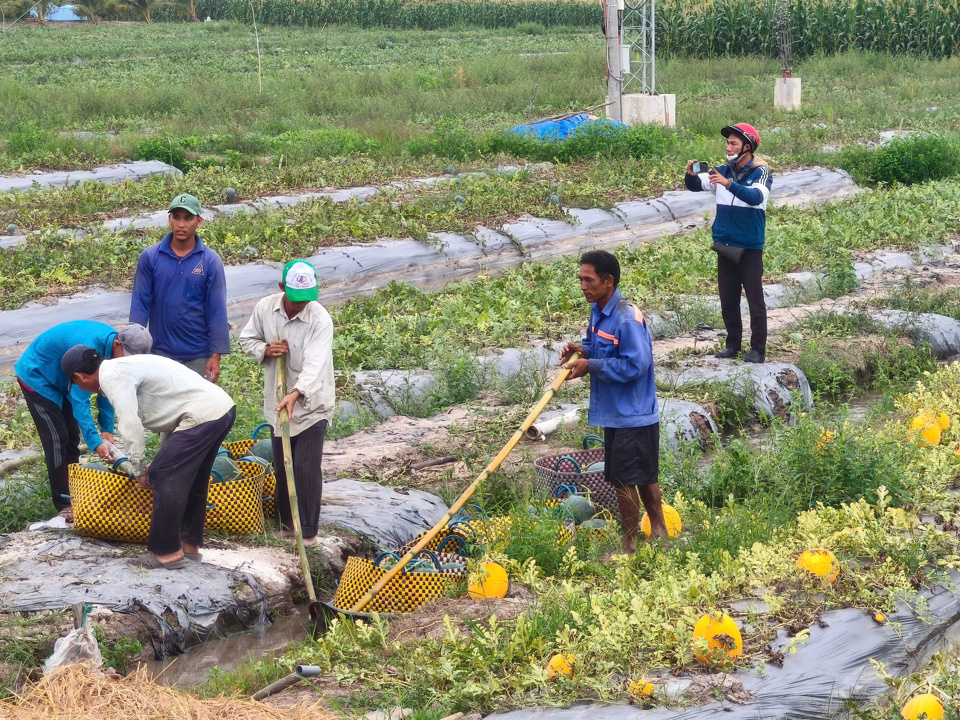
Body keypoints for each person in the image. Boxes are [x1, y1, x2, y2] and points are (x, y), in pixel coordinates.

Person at [62, 345, 236, 569]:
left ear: (80, 376)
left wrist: (139, 468)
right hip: (220, 409)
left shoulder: (113, 377)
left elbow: (130, 424)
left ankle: (166, 553)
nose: (80, 387)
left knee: (162, 477)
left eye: (76, 384)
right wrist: (163, 456)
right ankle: (188, 545)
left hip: (202, 415)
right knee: (193, 481)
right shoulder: (125, 366)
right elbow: (173, 416)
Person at [558, 250, 667, 554]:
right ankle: (658, 532)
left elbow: (636, 365)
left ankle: (629, 545)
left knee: (624, 480)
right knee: (641, 474)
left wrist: (590, 366)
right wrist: (583, 351)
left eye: (588, 280)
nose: (583, 285)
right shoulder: (599, 310)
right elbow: (601, 348)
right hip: (618, 412)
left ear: (608, 281)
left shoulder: (626, 318)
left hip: (632, 412)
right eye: (580, 279)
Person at [14, 322, 153, 521]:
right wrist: (95, 441)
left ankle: (73, 492)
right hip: (39, 375)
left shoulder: (114, 354)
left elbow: (106, 388)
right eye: (128, 356)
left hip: (66, 379)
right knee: (57, 438)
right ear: (117, 344)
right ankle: (63, 504)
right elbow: (81, 400)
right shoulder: (87, 351)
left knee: (72, 436)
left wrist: (106, 429)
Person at [239, 260, 334, 548]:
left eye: (307, 300)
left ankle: (307, 532)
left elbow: (316, 364)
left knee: (305, 467)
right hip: (279, 401)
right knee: (283, 464)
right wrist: (266, 349)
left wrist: (297, 392)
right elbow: (246, 339)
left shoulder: (320, 319)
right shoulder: (266, 309)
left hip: (311, 402)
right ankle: (284, 525)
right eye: (296, 300)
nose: (301, 305)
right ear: (282, 288)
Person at [685, 123, 772, 363]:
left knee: (755, 300)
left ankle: (757, 350)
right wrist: (690, 175)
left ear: (747, 146)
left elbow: (755, 197)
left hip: (750, 246)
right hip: (725, 244)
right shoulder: (723, 170)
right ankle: (732, 345)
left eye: (733, 143)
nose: (728, 147)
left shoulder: (760, 172)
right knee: (728, 298)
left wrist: (728, 184)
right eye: (728, 143)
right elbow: (696, 186)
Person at [129, 192, 230, 381]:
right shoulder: (151, 257)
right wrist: (134, 349)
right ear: (169, 219)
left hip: (198, 355)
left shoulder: (210, 261)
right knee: (161, 407)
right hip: (160, 353)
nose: (181, 224)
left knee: (198, 409)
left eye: (188, 218)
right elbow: (140, 305)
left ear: (199, 221)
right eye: (176, 217)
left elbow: (216, 310)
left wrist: (216, 355)